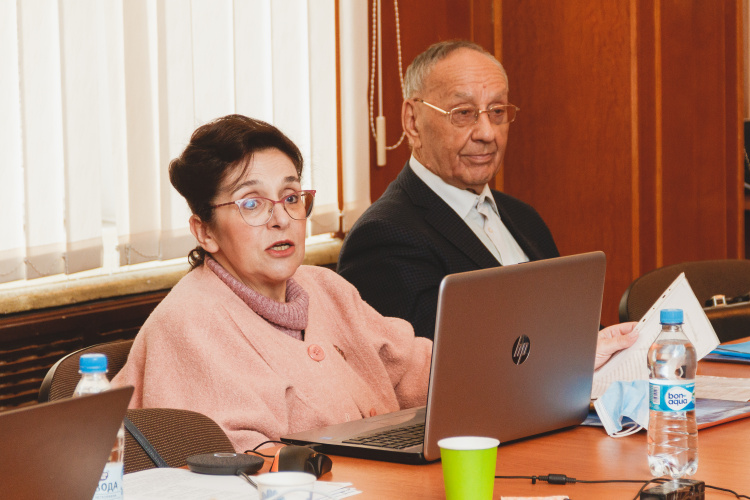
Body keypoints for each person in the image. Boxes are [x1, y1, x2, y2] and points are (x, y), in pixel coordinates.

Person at [112, 115, 431, 452]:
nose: (281, 219)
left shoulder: (324, 286)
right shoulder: (187, 323)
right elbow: (237, 462)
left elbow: (420, 371)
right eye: (252, 203)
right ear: (205, 232)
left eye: (291, 197)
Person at [337, 40, 637, 362]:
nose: (487, 133)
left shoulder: (523, 217)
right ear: (413, 122)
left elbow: (570, 326)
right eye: (463, 113)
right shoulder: (383, 236)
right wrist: (576, 355)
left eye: (497, 112)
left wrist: (622, 346)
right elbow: (445, 370)